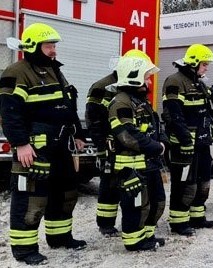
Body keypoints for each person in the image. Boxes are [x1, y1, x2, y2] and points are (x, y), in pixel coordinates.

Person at [0, 23, 87, 265]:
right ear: (33, 46)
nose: (53, 51)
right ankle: (24, 250)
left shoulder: (54, 70)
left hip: (61, 147)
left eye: (54, 46)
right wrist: (20, 144)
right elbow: (9, 112)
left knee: (65, 194)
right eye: (49, 46)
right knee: (31, 200)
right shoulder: (16, 71)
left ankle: (60, 238)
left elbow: (68, 105)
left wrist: (78, 134)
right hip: (35, 149)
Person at [89, 49, 154, 237]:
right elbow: (94, 119)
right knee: (109, 186)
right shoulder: (101, 86)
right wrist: (101, 146)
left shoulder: (132, 88)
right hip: (111, 144)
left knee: (125, 185)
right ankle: (106, 224)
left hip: (126, 143)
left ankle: (128, 224)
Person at [108, 55, 167, 251]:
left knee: (156, 202)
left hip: (148, 163)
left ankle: (147, 236)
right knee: (136, 206)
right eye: (147, 77)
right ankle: (134, 241)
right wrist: (157, 147)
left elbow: (154, 127)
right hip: (131, 166)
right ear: (134, 77)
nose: (149, 81)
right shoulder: (121, 103)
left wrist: (162, 141)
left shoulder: (139, 100)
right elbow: (127, 135)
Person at [161, 44, 213, 236]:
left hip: (202, 143)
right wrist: (185, 140)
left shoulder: (198, 82)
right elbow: (173, 116)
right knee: (184, 184)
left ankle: (197, 217)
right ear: (193, 63)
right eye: (204, 64)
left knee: (203, 182)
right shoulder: (174, 82)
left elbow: (206, 110)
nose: (206, 68)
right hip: (184, 145)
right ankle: (179, 222)